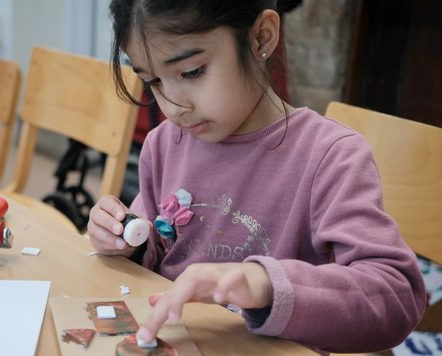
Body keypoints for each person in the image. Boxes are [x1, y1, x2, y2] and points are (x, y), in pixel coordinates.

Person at [87, 0, 426, 354]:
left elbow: (395, 297)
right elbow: (158, 245)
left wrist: (265, 285)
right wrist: (128, 238)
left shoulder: (330, 156)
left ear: (262, 37)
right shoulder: (163, 143)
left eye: (191, 72)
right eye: (152, 80)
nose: (173, 107)